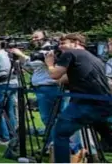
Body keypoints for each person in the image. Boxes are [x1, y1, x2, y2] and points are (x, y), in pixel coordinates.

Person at [45, 33, 112, 163]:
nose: (60, 46)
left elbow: (54, 75)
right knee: (105, 134)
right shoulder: (95, 58)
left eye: (64, 43)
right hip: (104, 104)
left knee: (60, 133)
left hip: (85, 103)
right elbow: (67, 78)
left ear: (76, 43)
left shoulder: (70, 54)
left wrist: (49, 64)